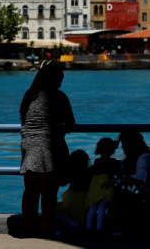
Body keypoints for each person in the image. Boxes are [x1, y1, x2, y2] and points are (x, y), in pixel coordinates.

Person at [18, 60, 75, 238]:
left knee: (30, 191)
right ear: (54, 79)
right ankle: (46, 229)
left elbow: (23, 119)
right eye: (60, 79)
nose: (61, 83)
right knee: (49, 193)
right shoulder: (59, 96)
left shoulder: (29, 94)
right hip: (50, 146)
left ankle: (28, 228)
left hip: (29, 145)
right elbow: (71, 123)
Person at [118, 130, 150, 224]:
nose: (122, 146)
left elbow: (140, 179)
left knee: (119, 195)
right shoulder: (138, 158)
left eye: (124, 143)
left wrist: (117, 181)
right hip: (149, 198)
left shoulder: (144, 157)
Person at [85, 137, 120, 235]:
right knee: (102, 207)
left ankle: (88, 227)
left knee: (93, 206)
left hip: (95, 185)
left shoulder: (97, 161)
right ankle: (99, 228)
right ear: (112, 150)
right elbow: (117, 172)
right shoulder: (113, 161)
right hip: (107, 185)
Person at [56, 149, 91, 233]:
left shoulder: (72, 172)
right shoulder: (89, 172)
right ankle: (74, 225)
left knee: (54, 210)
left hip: (73, 199)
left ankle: (73, 224)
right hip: (86, 200)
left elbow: (62, 183)